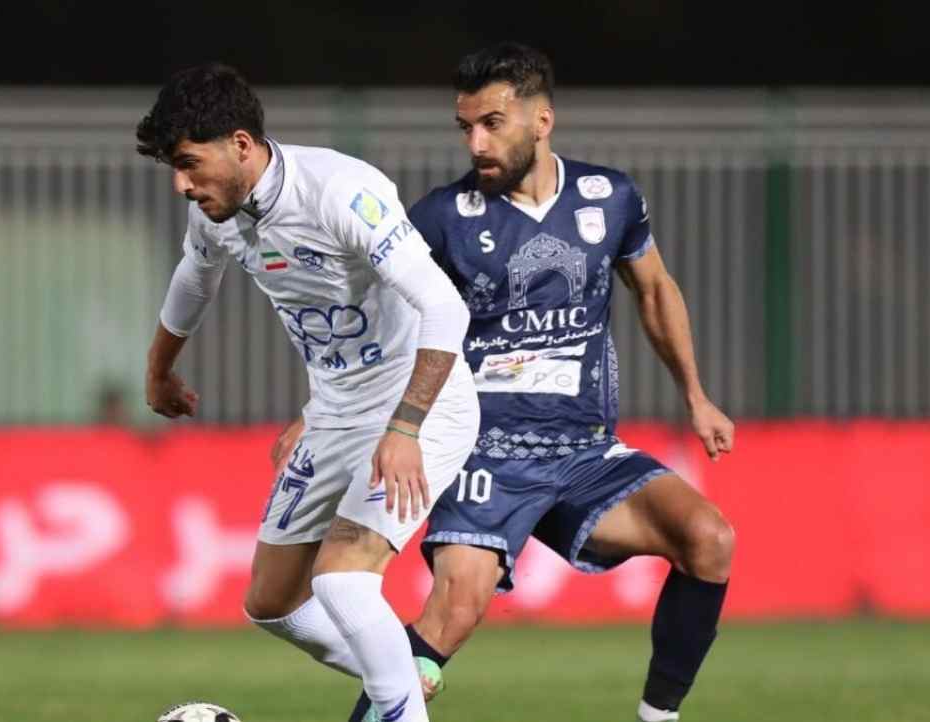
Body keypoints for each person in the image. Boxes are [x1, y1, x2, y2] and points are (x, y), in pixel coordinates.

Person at [274, 43, 737, 722]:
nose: (477, 144)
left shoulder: (610, 199)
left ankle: (657, 718)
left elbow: (655, 291)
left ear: (542, 120)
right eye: (466, 128)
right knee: (453, 614)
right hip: (480, 450)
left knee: (708, 539)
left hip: (583, 451)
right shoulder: (441, 218)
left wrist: (695, 396)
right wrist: (319, 411)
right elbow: (380, 323)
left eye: (492, 124)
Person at [136, 62, 479, 722]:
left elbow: (445, 308)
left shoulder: (341, 192)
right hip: (334, 413)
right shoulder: (216, 214)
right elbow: (194, 279)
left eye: (188, 164)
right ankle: (401, 676)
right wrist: (158, 370)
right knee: (272, 602)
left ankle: (400, 702)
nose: (181, 185)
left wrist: (404, 428)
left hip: (418, 406)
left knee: (344, 581)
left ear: (240, 144)